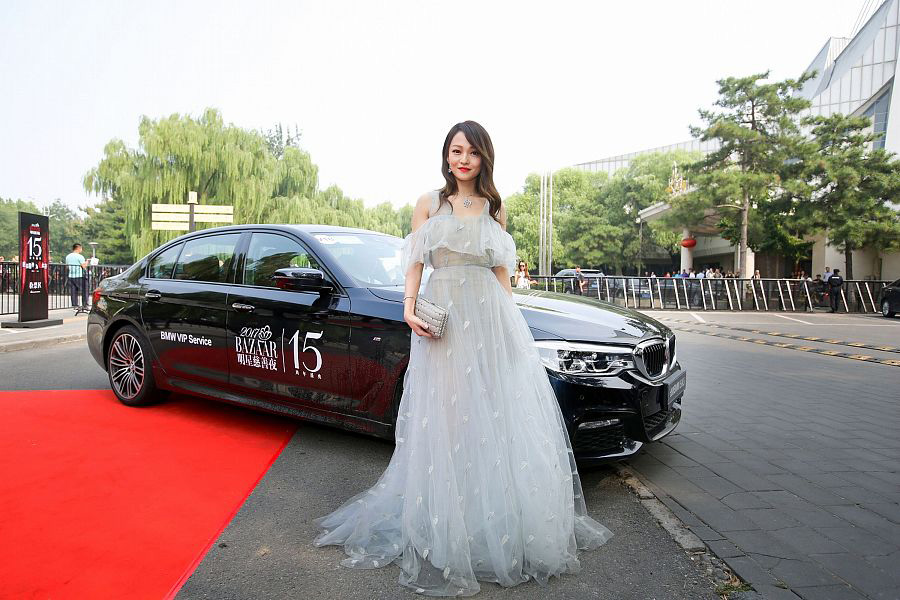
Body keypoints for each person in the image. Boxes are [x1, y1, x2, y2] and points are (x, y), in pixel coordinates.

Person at [313, 121, 612, 596]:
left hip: (489, 315)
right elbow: (414, 262)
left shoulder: (495, 206)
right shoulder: (428, 203)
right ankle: (447, 515)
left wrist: (513, 327)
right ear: (446, 156)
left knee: (492, 409)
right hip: (445, 315)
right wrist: (408, 306)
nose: (464, 159)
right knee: (448, 412)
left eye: (472, 152)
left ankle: (491, 515)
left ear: (484, 158)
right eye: (456, 151)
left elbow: (501, 273)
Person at [65, 243, 89, 309]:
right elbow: (84, 266)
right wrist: (87, 262)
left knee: (73, 291)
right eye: (81, 248)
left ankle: (75, 305)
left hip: (71, 276)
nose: (81, 250)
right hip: (79, 275)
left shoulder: (68, 256)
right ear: (78, 248)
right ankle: (85, 305)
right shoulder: (80, 256)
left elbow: (67, 266)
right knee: (85, 290)